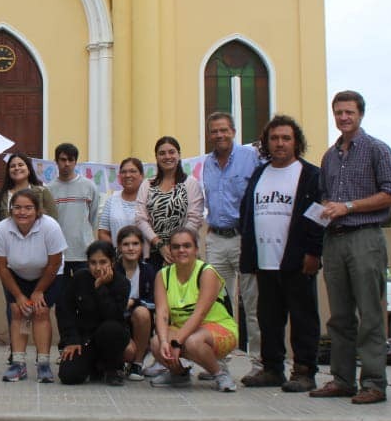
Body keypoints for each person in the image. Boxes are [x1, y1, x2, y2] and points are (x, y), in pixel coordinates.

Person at [310, 91, 391, 405]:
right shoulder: (329, 156)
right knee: (339, 316)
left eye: (349, 112)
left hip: (365, 236)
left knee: (371, 313)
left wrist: (349, 206)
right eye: (338, 113)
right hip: (334, 240)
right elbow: (326, 195)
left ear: (360, 114)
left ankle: (374, 383)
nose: (343, 118)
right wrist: (326, 208)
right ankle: (342, 379)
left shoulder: (376, 148)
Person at [238, 116, 325, 392]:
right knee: (268, 319)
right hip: (264, 260)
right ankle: (273, 369)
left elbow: (318, 216)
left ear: (296, 142)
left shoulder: (310, 175)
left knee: (303, 318)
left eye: (286, 138)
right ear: (266, 142)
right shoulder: (260, 174)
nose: (280, 143)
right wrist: (249, 256)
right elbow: (247, 215)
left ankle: (304, 371)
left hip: (297, 260)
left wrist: (314, 252)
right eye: (274, 138)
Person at [199, 112, 262, 361]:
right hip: (215, 238)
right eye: (214, 131)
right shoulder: (207, 163)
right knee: (217, 303)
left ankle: (259, 361)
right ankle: (219, 359)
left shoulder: (251, 158)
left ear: (234, 131)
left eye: (224, 130)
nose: (219, 135)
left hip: (243, 238)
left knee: (252, 302)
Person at [0, 188, 67, 383]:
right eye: (17, 207)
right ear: (11, 209)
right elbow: (1, 266)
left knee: (40, 312)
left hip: (48, 274)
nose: (22, 212)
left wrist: (39, 291)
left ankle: (43, 364)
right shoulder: (1, 229)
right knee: (19, 311)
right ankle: (18, 364)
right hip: (16, 275)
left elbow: (54, 263)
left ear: (37, 210)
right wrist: (19, 296)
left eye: (28, 208)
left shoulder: (50, 227)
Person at [149, 228, 239, 392]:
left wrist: (177, 342)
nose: (181, 250)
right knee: (156, 343)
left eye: (187, 246)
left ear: (196, 249)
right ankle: (179, 374)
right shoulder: (163, 275)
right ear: (170, 250)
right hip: (184, 330)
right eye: (176, 247)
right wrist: (163, 341)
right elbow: (162, 313)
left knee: (192, 342)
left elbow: (200, 314)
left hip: (217, 328)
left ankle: (219, 374)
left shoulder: (207, 272)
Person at [57, 240, 131, 386]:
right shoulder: (80, 278)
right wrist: (72, 340)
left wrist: (100, 288)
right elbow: (65, 309)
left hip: (111, 337)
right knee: (69, 376)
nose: (98, 268)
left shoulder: (121, 283)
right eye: (93, 262)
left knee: (111, 328)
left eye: (103, 262)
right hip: (85, 338)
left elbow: (114, 315)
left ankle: (113, 369)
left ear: (112, 262)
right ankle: (94, 366)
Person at [136, 136, 205, 268]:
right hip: (154, 253)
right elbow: (140, 218)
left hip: (183, 252)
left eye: (171, 152)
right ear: (156, 157)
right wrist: (160, 245)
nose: (167, 156)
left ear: (179, 155)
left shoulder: (190, 183)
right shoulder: (147, 185)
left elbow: (195, 219)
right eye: (162, 153)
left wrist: (176, 245)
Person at [46, 142, 99, 280]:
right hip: (58, 253)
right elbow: (48, 222)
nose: (67, 163)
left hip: (84, 252)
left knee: (84, 295)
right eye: (63, 160)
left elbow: (93, 219)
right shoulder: (49, 190)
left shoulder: (89, 186)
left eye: (71, 160)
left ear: (76, 162)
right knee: (62, 298)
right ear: (56, 162)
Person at [115, 225, 155, 380]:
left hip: (140, 322)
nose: (131, 248)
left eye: (135, 244)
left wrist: (133, 301)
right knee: (127, 352)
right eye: (126, 244)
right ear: (119, 246)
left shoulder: (149, 270)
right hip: (118, 320)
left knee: (142, 312)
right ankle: (120, 361)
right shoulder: (112, 270)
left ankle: (137, 364)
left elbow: (153, 302)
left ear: (142, 246)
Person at [0, 152, 57, 230]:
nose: (16, 168)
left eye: (20, 165)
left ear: (29, 169)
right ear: (8, 171)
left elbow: (53, 219)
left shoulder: (42, 192)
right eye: (12, 166)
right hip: (7, 241)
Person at [97, 158, 145, 251]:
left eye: (133, 171)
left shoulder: (149, 200)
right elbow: (103, 232)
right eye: (123, 172)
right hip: (118, 258)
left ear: (142, 176)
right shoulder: (111, 200)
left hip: (146, 257)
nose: (127, 175)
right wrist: (118, 251)